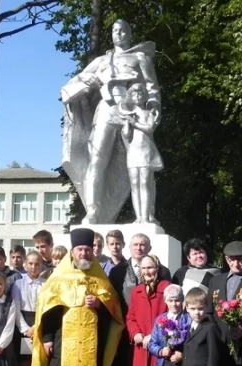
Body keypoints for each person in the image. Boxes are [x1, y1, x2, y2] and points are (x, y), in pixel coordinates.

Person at [27, 228, 125, 366]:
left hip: (91, 344)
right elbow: (48, 310)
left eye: (88, 250)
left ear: (93, 252)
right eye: (80, 249)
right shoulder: (59, 277)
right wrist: (47, 338)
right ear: (72, 252)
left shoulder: (100, 277)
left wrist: (100, 304)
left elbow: (115, 313)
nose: (84, 254)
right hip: (63, 342)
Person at [61, 19, 160, 224]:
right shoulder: (101, 61)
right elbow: (69, 88)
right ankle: (93, 212)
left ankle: (145, 216)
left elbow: (152, 88)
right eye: (115, 30)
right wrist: (86, 81)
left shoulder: (140, 58)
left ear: (129, 34)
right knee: (96, 161)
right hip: (106, 111)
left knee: (140, 164)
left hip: (133, 113)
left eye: (123, 30)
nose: (119, 34)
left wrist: (154, 108)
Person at [11, 250, 46, 366]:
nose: (33, 267)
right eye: (30, 263)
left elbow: (47, 309)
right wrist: (26, 330)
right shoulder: (18, 284)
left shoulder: (46, 284)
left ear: (42, 265)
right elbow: (16, 310)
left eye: (37, 264)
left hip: (41, 327)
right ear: (25, 265)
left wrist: (37, 329)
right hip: (25, 328)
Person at [120, 83, 163, 224]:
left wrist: (134, 122)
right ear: (130, 97)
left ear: (144, 96)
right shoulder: (129, 115)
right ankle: (138, 217)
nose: (137, 97)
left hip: (145, 150)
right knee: (134, 183)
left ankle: (145, 217)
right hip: (133, 151)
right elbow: (126, 135)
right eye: (134, 94)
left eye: (140, 94)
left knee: (145, 182)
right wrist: (127, 123)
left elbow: (150, 128)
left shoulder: (149, 113)